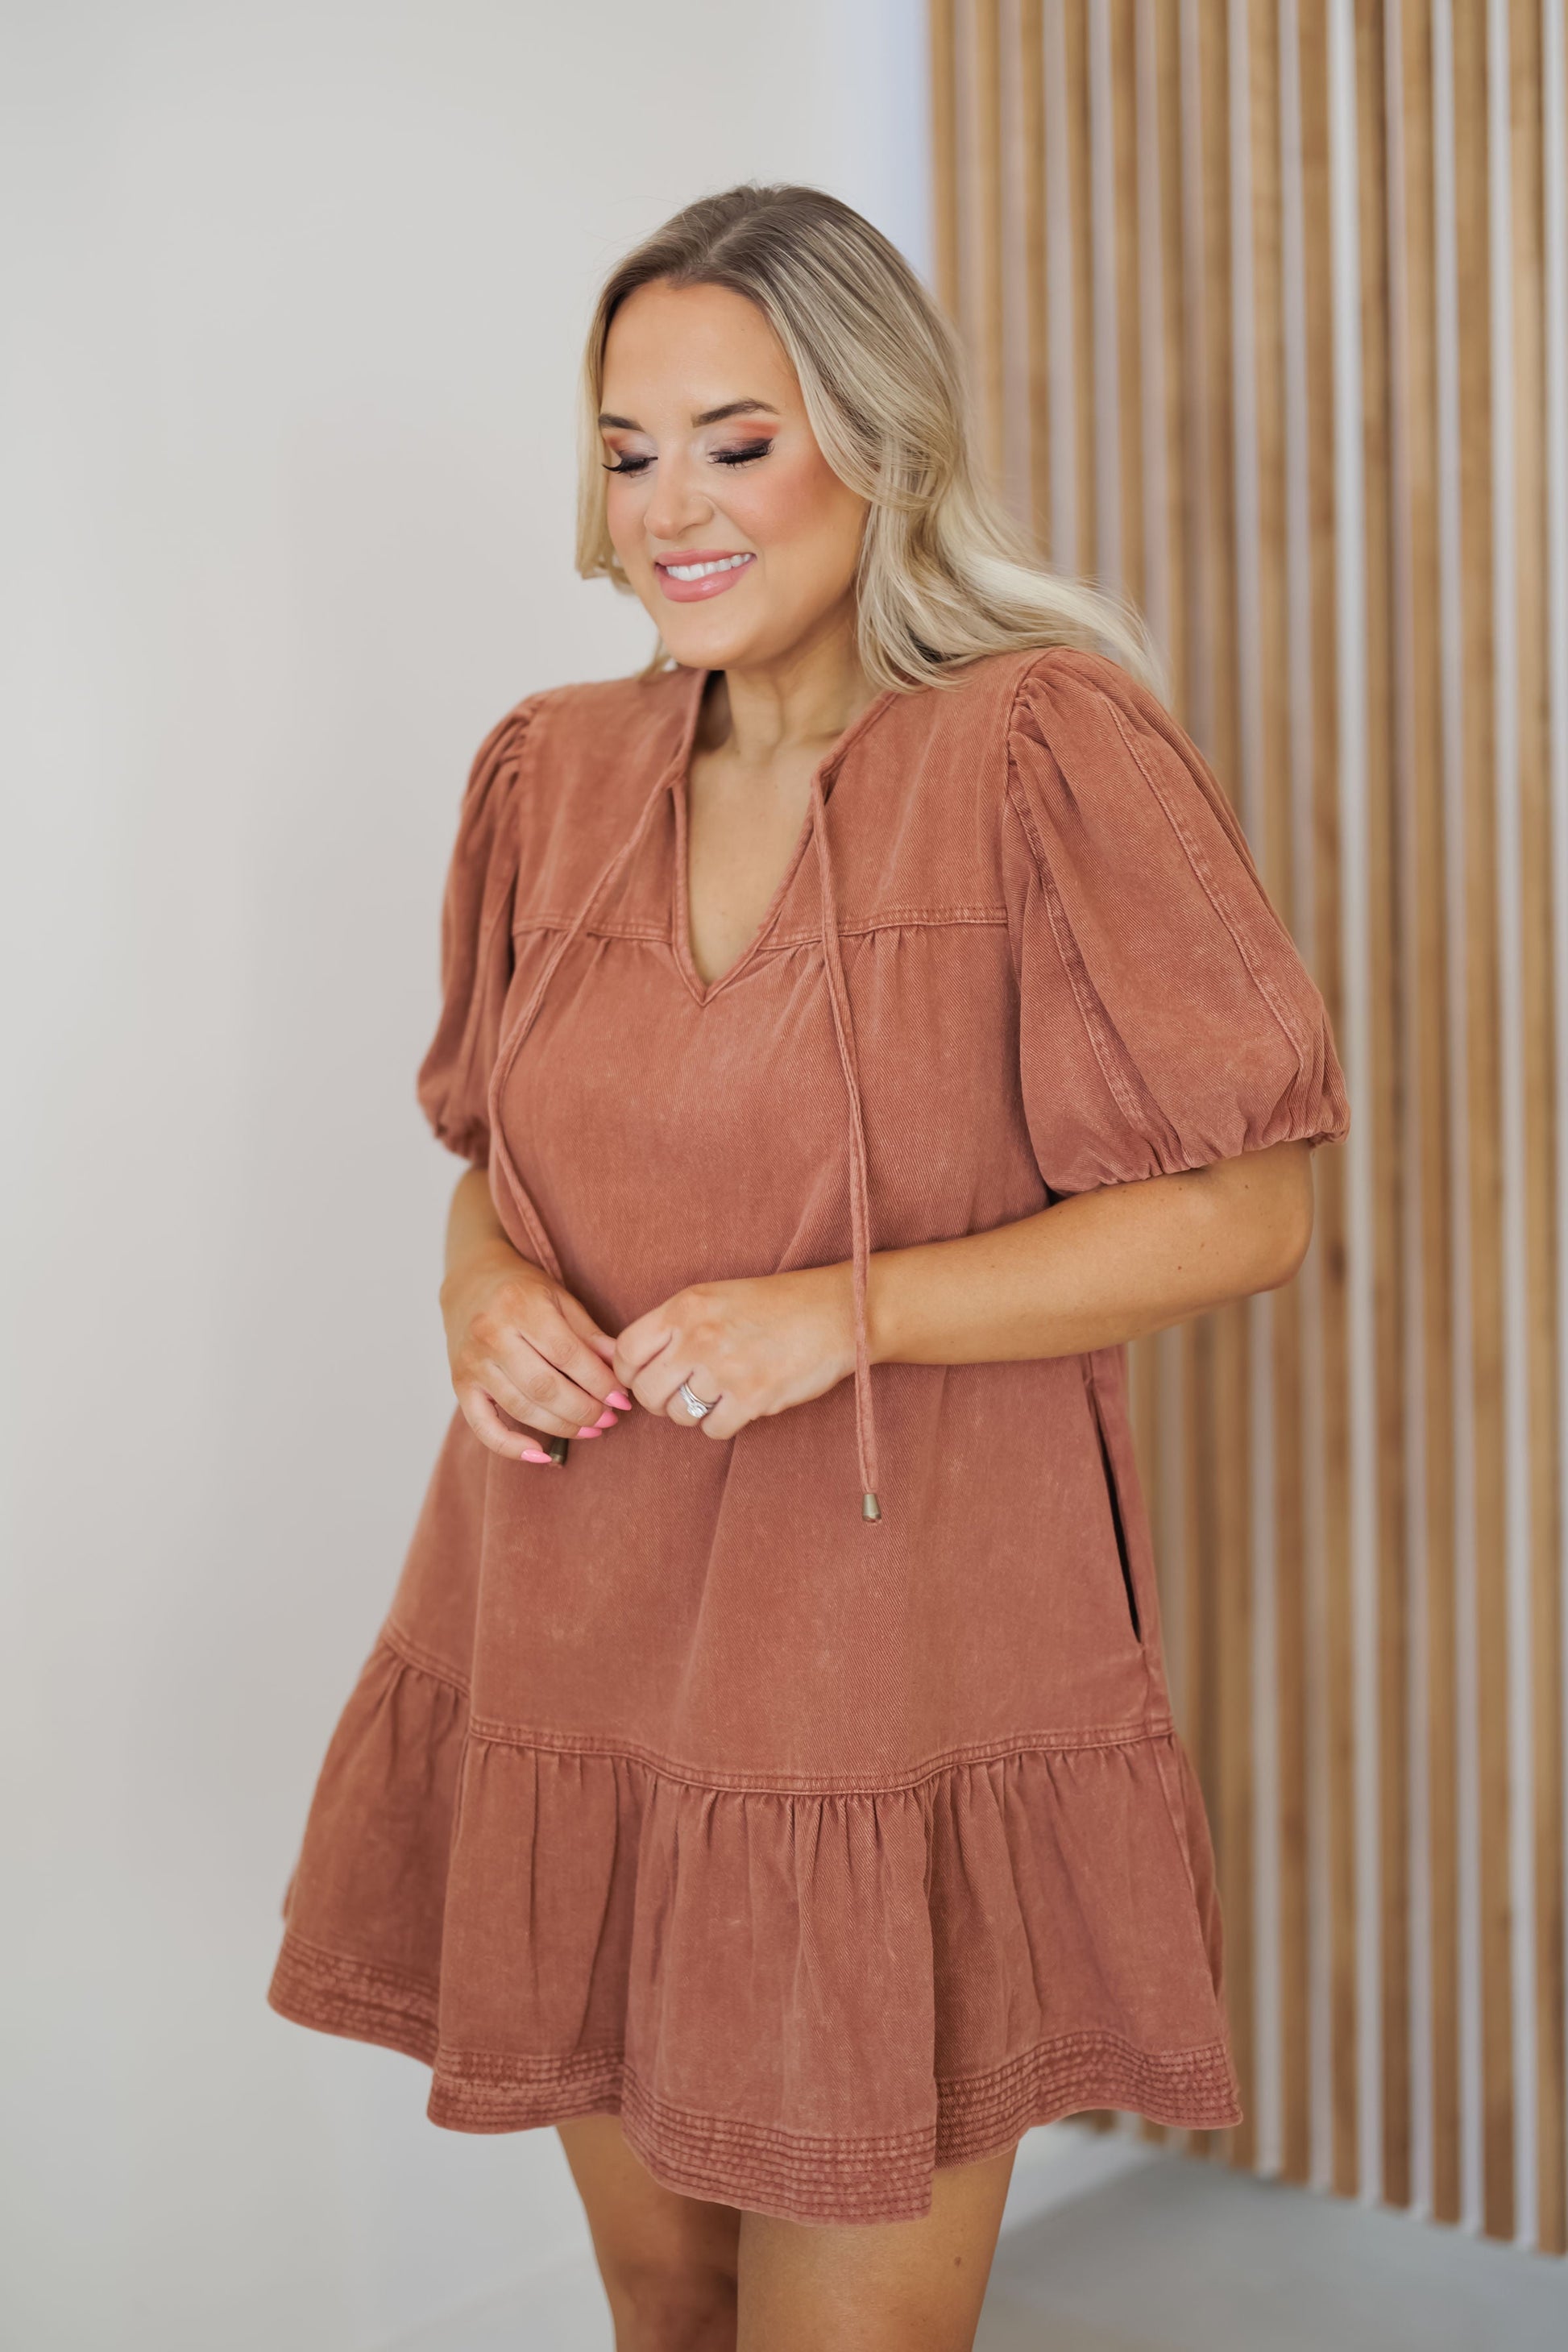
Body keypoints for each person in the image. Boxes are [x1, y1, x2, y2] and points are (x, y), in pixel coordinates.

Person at [268, 182, 1350, 2351]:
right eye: (628, 448)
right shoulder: (551, 773)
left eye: (736, 442)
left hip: (879, 1682)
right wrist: (477, 1294)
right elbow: (495, 1163)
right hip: (566, 1629)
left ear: (879, 441)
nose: (670, 506)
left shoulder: (1039, 751)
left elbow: (1252, 1206)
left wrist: (841, 1317)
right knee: (665, 2310)